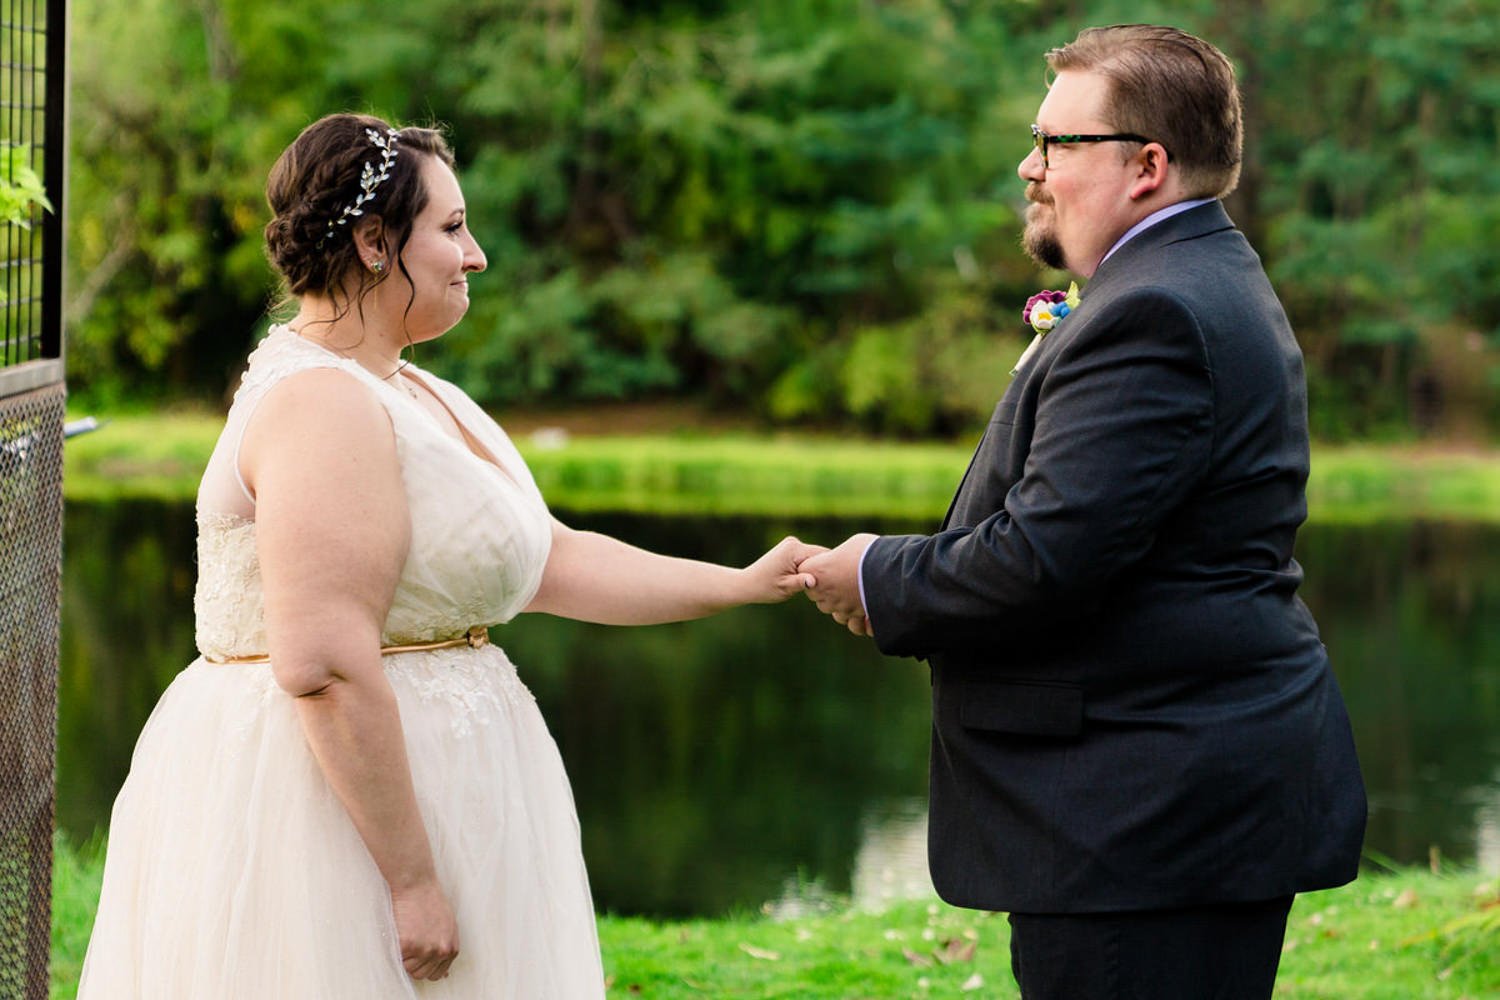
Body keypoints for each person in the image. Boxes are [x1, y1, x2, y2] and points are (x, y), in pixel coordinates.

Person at [78, 112, 822, 999]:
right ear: (373, 241)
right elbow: (323, 662)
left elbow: (549, 560)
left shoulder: (414, 389)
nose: (476, 256)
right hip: (328, 822)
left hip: (456, 794)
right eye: (454, 229)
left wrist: (738, 584)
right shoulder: (319, 403)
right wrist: (411, 880)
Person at [798, 25, 1366, 999]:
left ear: (1147, 165)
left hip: (1144, 815)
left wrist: (876, 576)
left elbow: (1043, 558)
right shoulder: (1187, 279)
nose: (1031, 165)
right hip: (1167, 808)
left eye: (1058, 143)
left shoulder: (1157, 312)